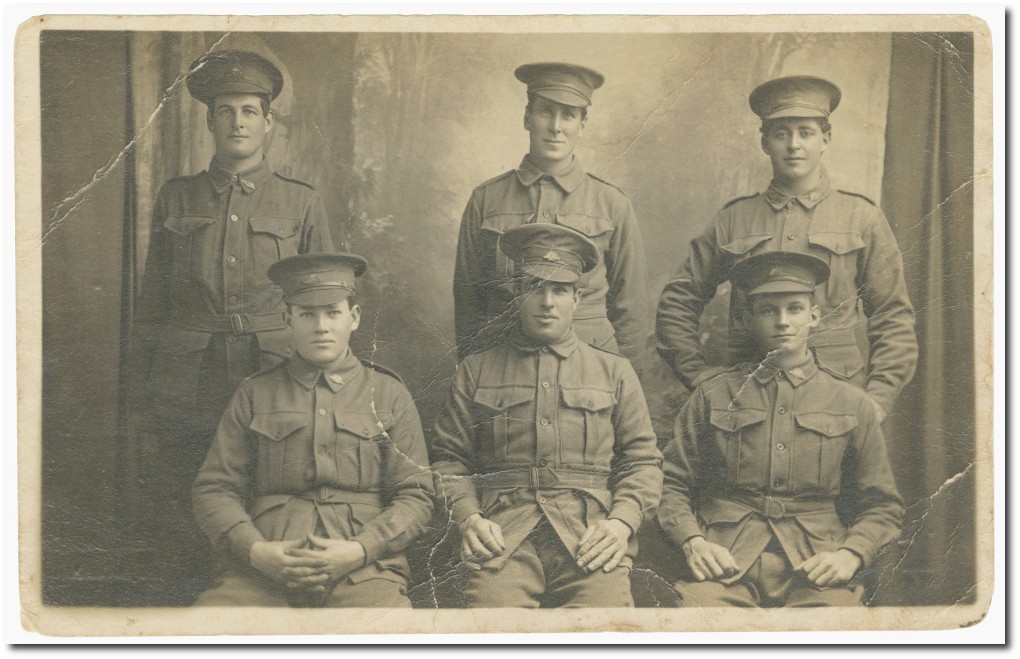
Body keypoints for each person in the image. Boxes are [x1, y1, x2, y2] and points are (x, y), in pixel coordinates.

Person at [125, 49, 334, 601]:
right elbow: (154, 301)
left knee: (269, 479)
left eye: (249, 110)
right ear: (211, 121)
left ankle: (252, 589)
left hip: (271, 366)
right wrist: (141, 386)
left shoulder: (300, 201)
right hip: (186, 370)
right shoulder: (179, 195)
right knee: (184, 482)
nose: (238, 121)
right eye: (226, 110)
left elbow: (325, 298)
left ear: (268, 122)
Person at [655, 76, 917, 422]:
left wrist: (879, 397)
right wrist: (698, 375)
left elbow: (893, 316)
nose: (794, 145)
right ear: (764, 142)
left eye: (805, 132)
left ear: (826, 139)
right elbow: (677, 303)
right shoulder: (735, 219)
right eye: (781, 133)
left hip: (837, 398)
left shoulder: (861, 217)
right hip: (748, 395)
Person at [433, 223, 662, 608]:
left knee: (605, 631)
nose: (547, 301)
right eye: (535, 287)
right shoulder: (477, 370)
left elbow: (643, 462)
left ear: (577, 297)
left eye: (559, 290)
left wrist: (622, 522)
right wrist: (469, 519)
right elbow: (448, 461)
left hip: (589, 535)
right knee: (490, 630)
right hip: (502, 533)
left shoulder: (614, 371)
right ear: (516, 294)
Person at [657, 250, 904, 607]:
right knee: (697, 625)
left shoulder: (851, 402)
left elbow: (883, 505)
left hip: (816, 565)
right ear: (747, 318)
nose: (783, 321)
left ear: (815, 316)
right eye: (768, 310)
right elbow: (670, 483)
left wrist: (851, 554)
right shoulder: (713, 395)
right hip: (725, 562)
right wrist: (692, 541)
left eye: (795, 308)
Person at [191, 253, 434, 607]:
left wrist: (361, 549)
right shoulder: (255, 393)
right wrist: (256, 551)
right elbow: (213, 489)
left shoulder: (388, 393)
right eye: (307, 314)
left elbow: (417, 495)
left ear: (354, 319)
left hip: (364, 570)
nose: (321, 326)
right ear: (288, 320)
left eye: (333, 312)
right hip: (263, 569)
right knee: (210, 634)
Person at [453, 62, 649, 368]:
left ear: (582, 125)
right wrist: (474, 375)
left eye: (568, 115)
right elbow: (468, 301)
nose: (556, 126)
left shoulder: (611, 203)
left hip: (591, 366)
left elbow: (631, 308)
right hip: (503, 363)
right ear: (527, 118)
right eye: (546, 111)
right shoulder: (486, 199)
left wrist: (624, 382)